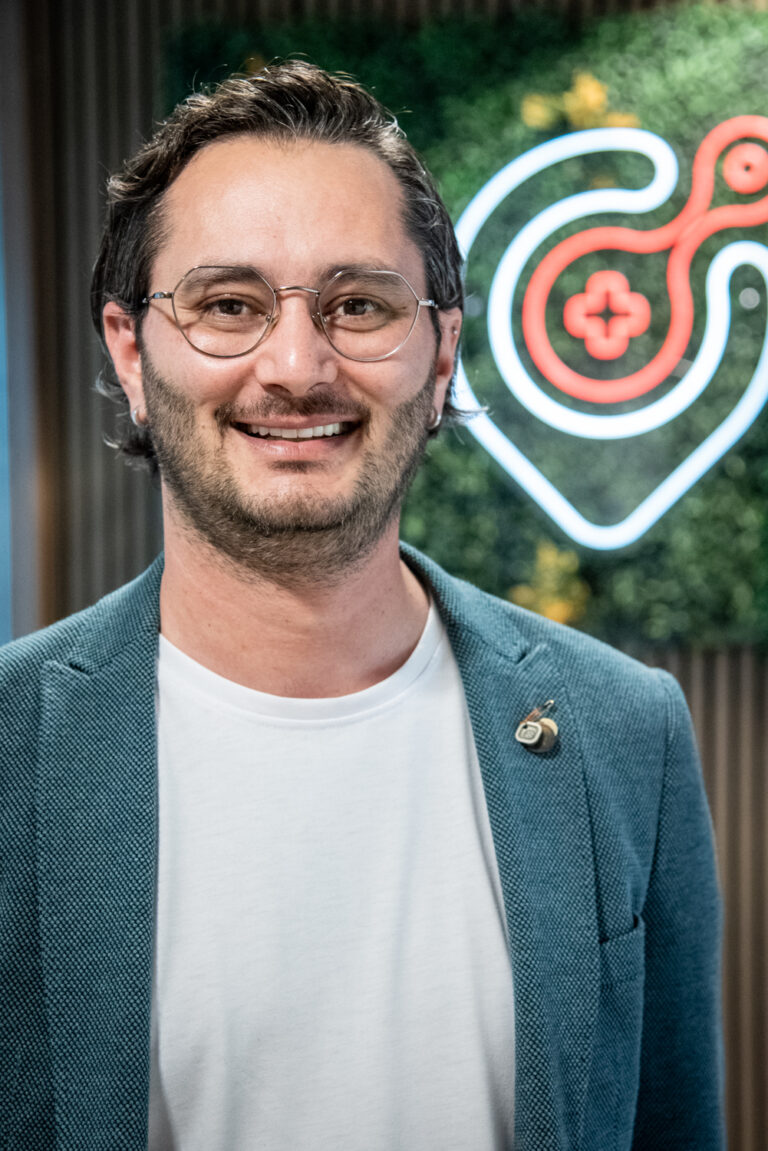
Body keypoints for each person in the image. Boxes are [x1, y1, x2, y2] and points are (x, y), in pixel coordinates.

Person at [0, 61, 723, 1151]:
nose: (297, 365)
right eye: (229, 305)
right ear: (131, 353)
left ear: (440, 356)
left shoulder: (627, 732)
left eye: (359, 305)